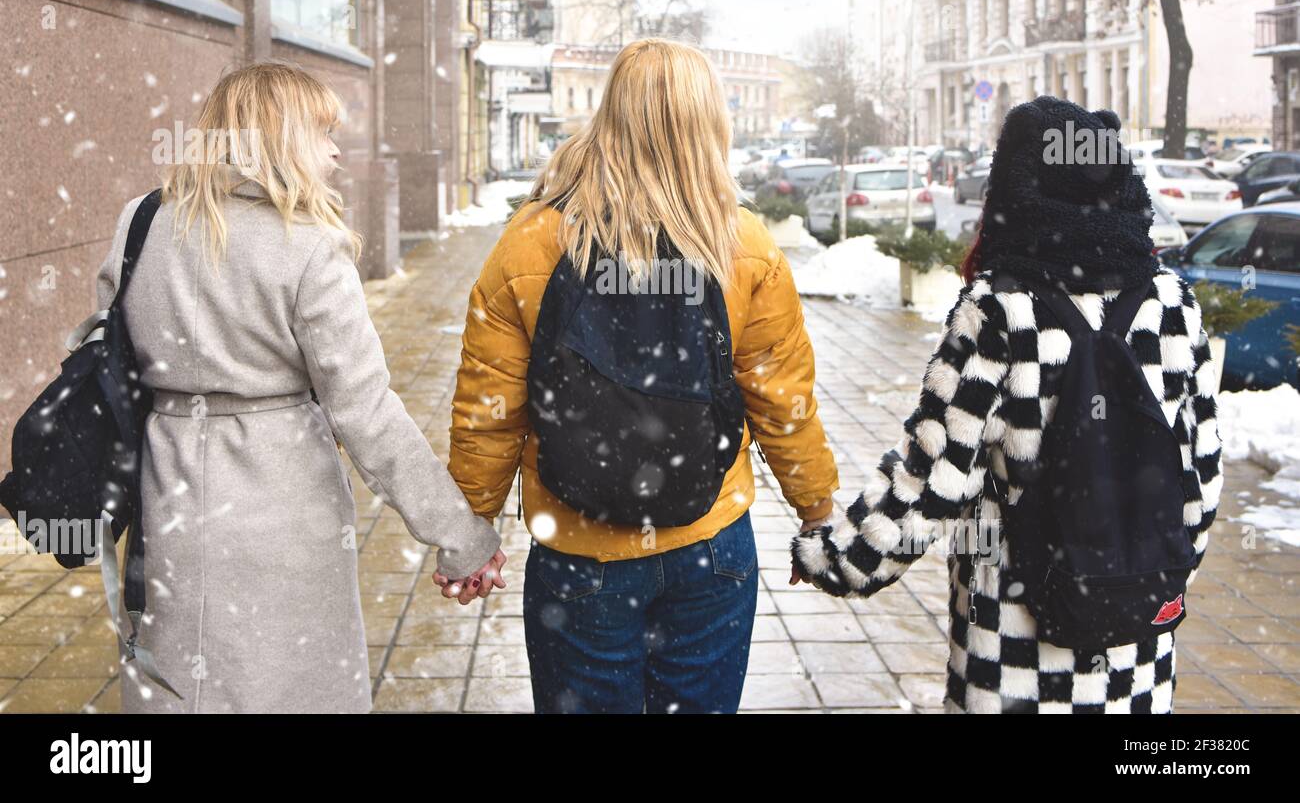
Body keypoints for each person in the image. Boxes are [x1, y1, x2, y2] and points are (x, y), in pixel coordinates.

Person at [444, 39, 840, 713]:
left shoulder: (532, 240)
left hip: (578, 548)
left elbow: (491, 407)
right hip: (710, 542)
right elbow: (784, 403)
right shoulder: (742, 246)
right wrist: (818, 514)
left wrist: (468, 534)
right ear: (708, 123)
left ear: (609, 116)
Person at [793, 97, 1222, 713]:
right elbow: (1200, 477)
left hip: (1015, 645)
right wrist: (1135, 583)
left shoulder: (1001, 310)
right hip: (1136, 653)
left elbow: (932, 480)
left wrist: (834, 559)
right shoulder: (1173, 306)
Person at [99, 62, 503, 713]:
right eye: (320, 132)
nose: (336, 149)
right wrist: (461, 536)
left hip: (164, 505)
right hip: (283, 510)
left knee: (181, 679)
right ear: (276, 139)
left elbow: (106, 354)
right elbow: (368, 416)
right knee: (282, 683)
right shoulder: (309, 247)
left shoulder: (140, 223)